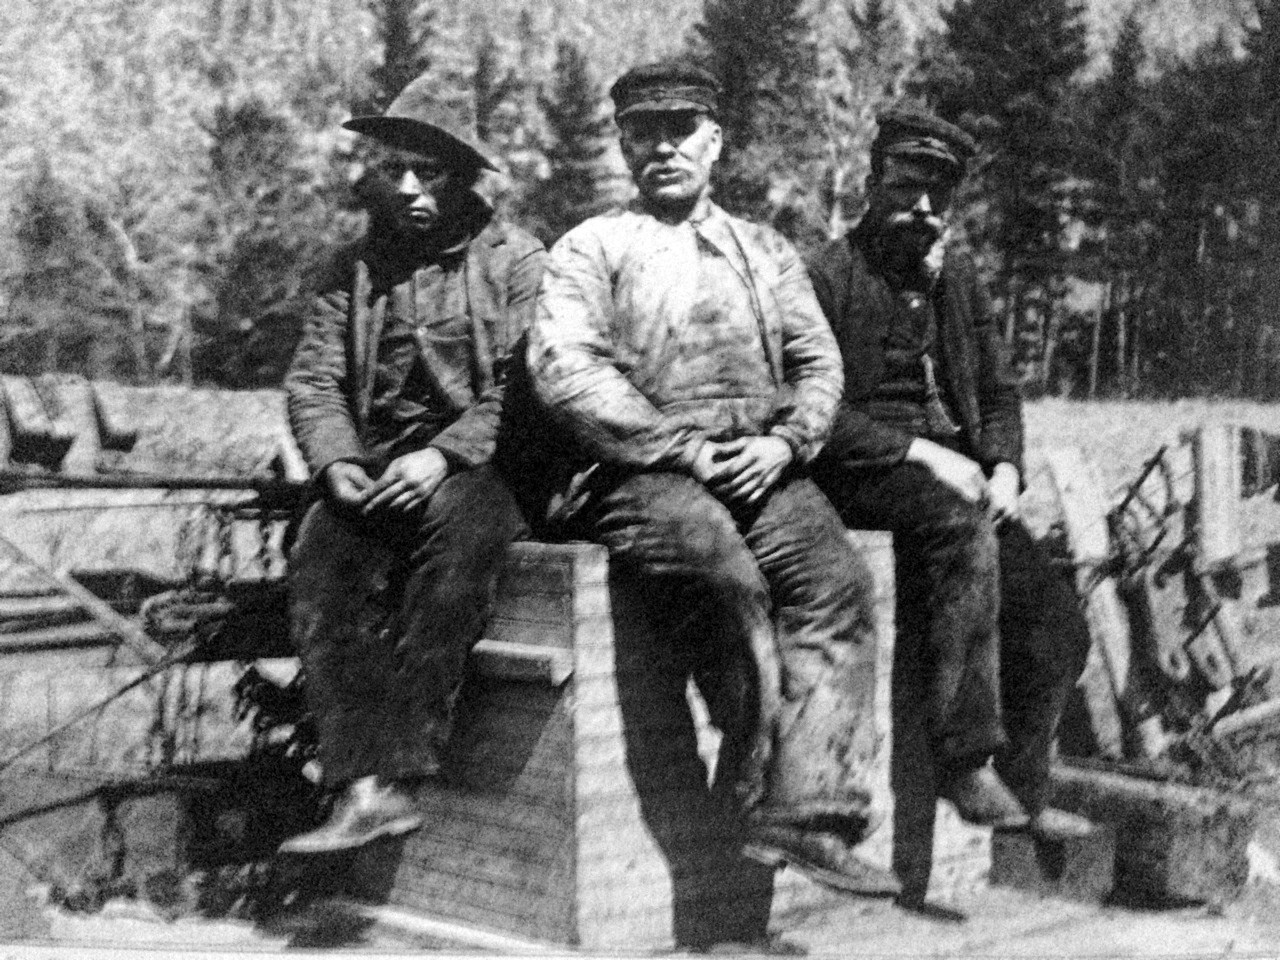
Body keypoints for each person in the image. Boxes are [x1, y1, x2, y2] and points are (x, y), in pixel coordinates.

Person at [526, 58, 898, 895]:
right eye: (643, 132)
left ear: (716, 141)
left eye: (682, 129)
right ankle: (759, 774)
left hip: (760, 461)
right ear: (622, 143)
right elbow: (566, 371)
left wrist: (787, 444)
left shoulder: (765, 250)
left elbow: (817, 362)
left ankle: (811, 814)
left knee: (837, 583)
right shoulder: (592, 247)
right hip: (640, 470)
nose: (663, 148)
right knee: (720, 571)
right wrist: (680, 447)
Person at [807, 105, 1094, 838]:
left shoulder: (957, 279)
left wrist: (1005, 469)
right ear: (872, 186)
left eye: (939, 195)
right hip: (864, 469)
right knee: (956, 524)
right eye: (906, 189)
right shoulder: (824, 277)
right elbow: (813, 412)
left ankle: (1021, 794)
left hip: (962, 483)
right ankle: (962, 757)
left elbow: (998, 393)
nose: (923, 209)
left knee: (1058, 621)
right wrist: (922, 453)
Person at [278, 75, 546, 854]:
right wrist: (334, 461)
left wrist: (442, 456)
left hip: (483, 461)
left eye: (427, 173)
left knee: (457, 553)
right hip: (375, 461)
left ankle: (401, 770)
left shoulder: (518, 262)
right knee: (321, 558)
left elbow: (527, 389)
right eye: (393, 168)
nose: (406, 188)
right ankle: (362, 790)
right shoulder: (350, 270)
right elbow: (315, 379)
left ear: (463, 178)